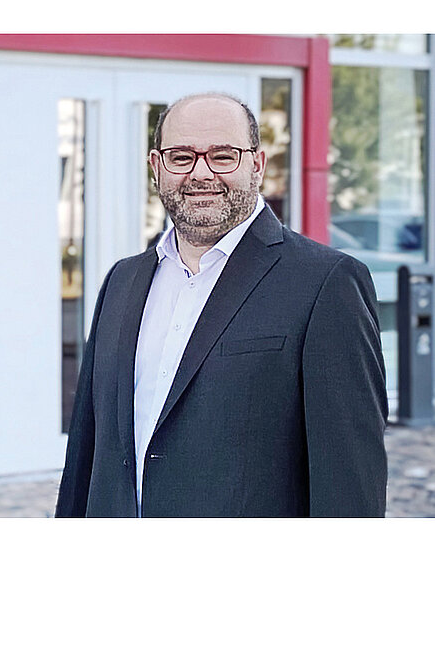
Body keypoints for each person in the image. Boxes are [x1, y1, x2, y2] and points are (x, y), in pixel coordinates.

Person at [56, 92, 387, 517]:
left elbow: (349, 482)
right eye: (181, 157)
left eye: (223, 156)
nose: (201, 173)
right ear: (156, 167)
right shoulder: (122, 281)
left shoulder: (326, 283)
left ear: (257, 165)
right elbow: (86, 453)